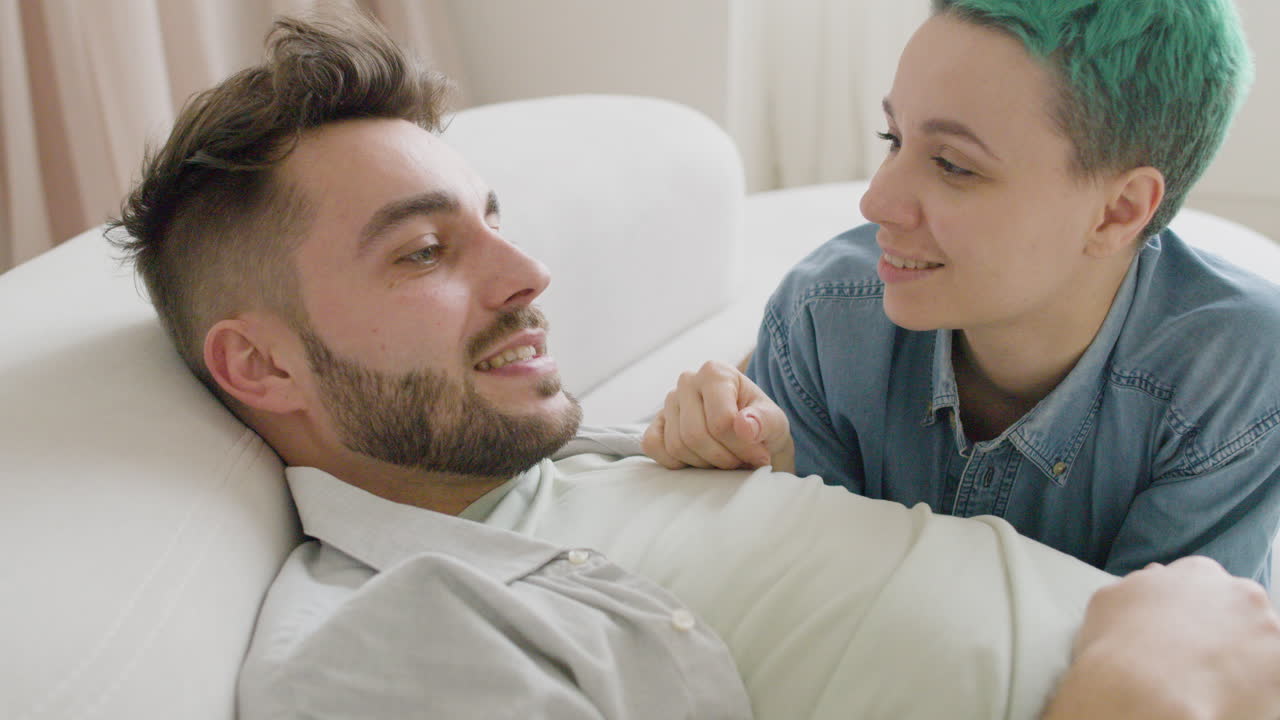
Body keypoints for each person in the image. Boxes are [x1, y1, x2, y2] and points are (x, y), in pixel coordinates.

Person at [107, 8, 1280, 720]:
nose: (528, 272)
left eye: (495, 221)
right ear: (259, 366)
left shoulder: (618, 456)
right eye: (424, 251)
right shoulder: (378, 648)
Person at [643, 0, 1280, 586]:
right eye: (893, 139)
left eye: (953, 165)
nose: (875, 202)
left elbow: (1168, 679)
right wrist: (766, 481)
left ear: (1117, 211)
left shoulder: (1234, 373)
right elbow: (795, 627)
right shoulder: (821, 315)